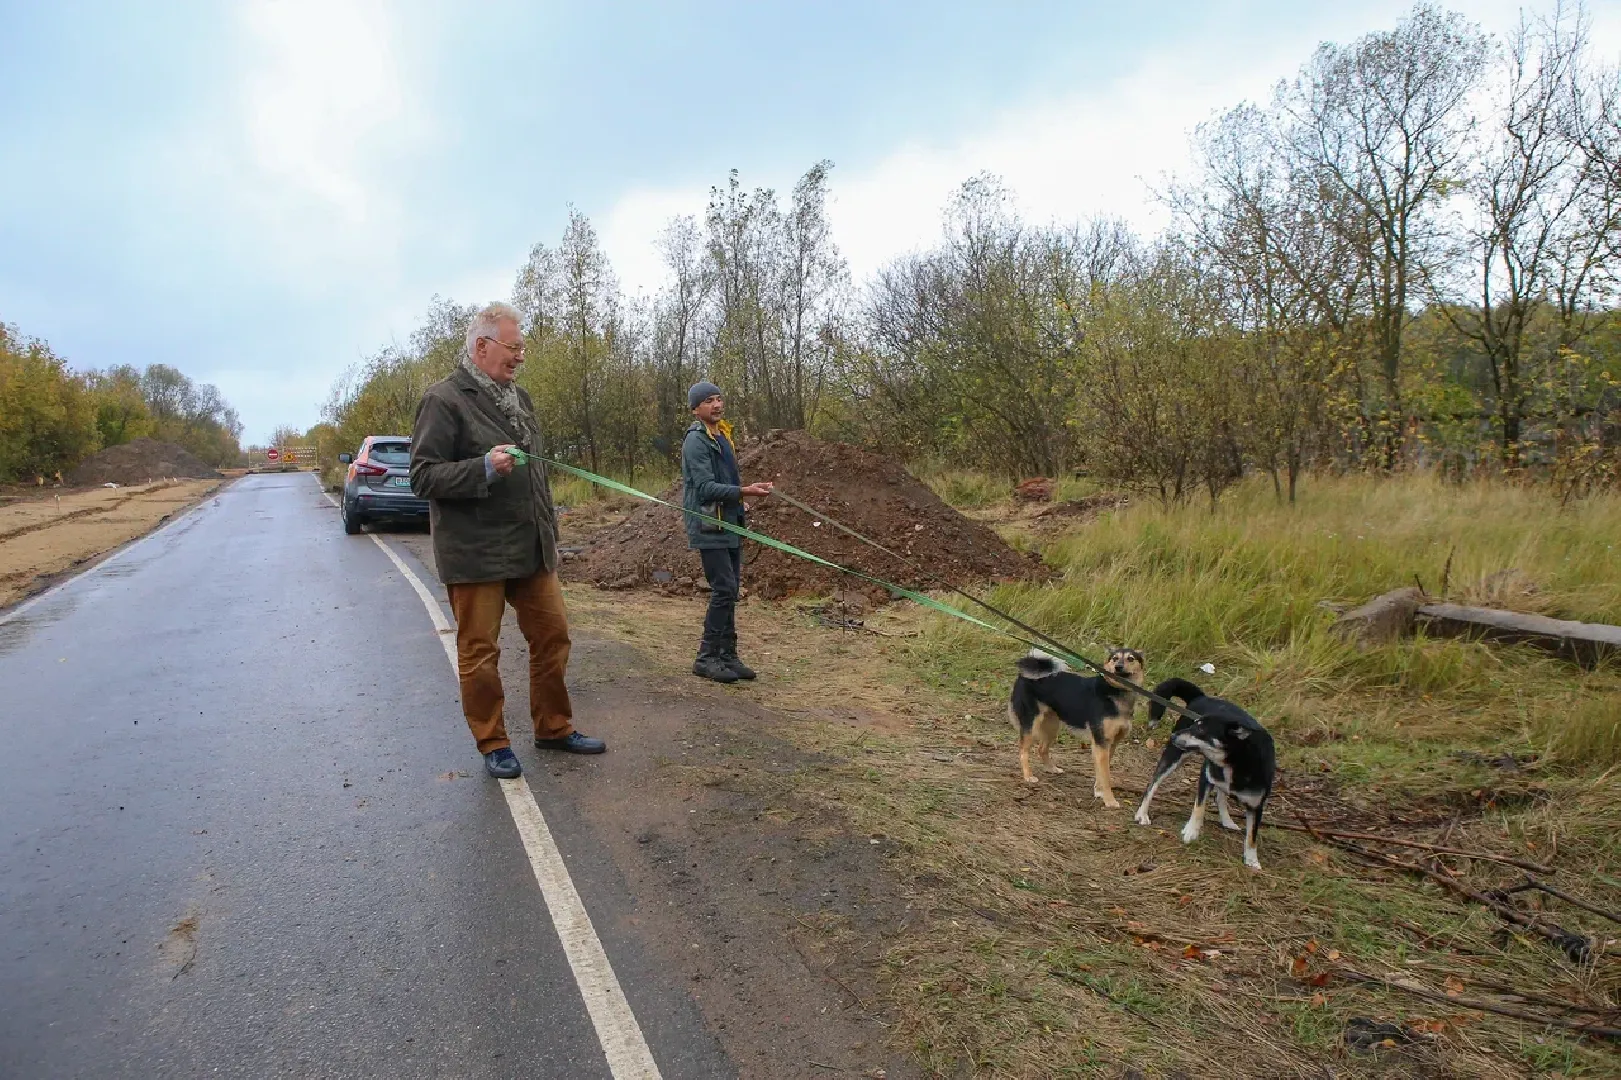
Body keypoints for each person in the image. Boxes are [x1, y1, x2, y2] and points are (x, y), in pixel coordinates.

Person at [410, 302, 606, 778]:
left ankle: (553, 727)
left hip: (532, 547)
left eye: (522, 348)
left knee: (553, 635)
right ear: (482, 346)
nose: (520, 357)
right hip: (476, 554)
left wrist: (551, 528)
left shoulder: (522, 399)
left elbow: (534, 475)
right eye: (513, 347)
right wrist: (481, 469)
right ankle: (492, 741)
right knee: (480, 652)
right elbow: (422, 475)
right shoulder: (445, 399)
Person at [681, 381, 773, 683]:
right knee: (723, 589)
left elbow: (726, 480)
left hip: (729, 522)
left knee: (730, 589)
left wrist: (743, 498)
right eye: (708, 401)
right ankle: (706, 658)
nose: (716, 405)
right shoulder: (696, 441)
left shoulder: (722, 436)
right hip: (709, 524)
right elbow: (706, 489)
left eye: (719, 398)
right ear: (696, 409)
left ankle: (728, 656)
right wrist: (743, 492)